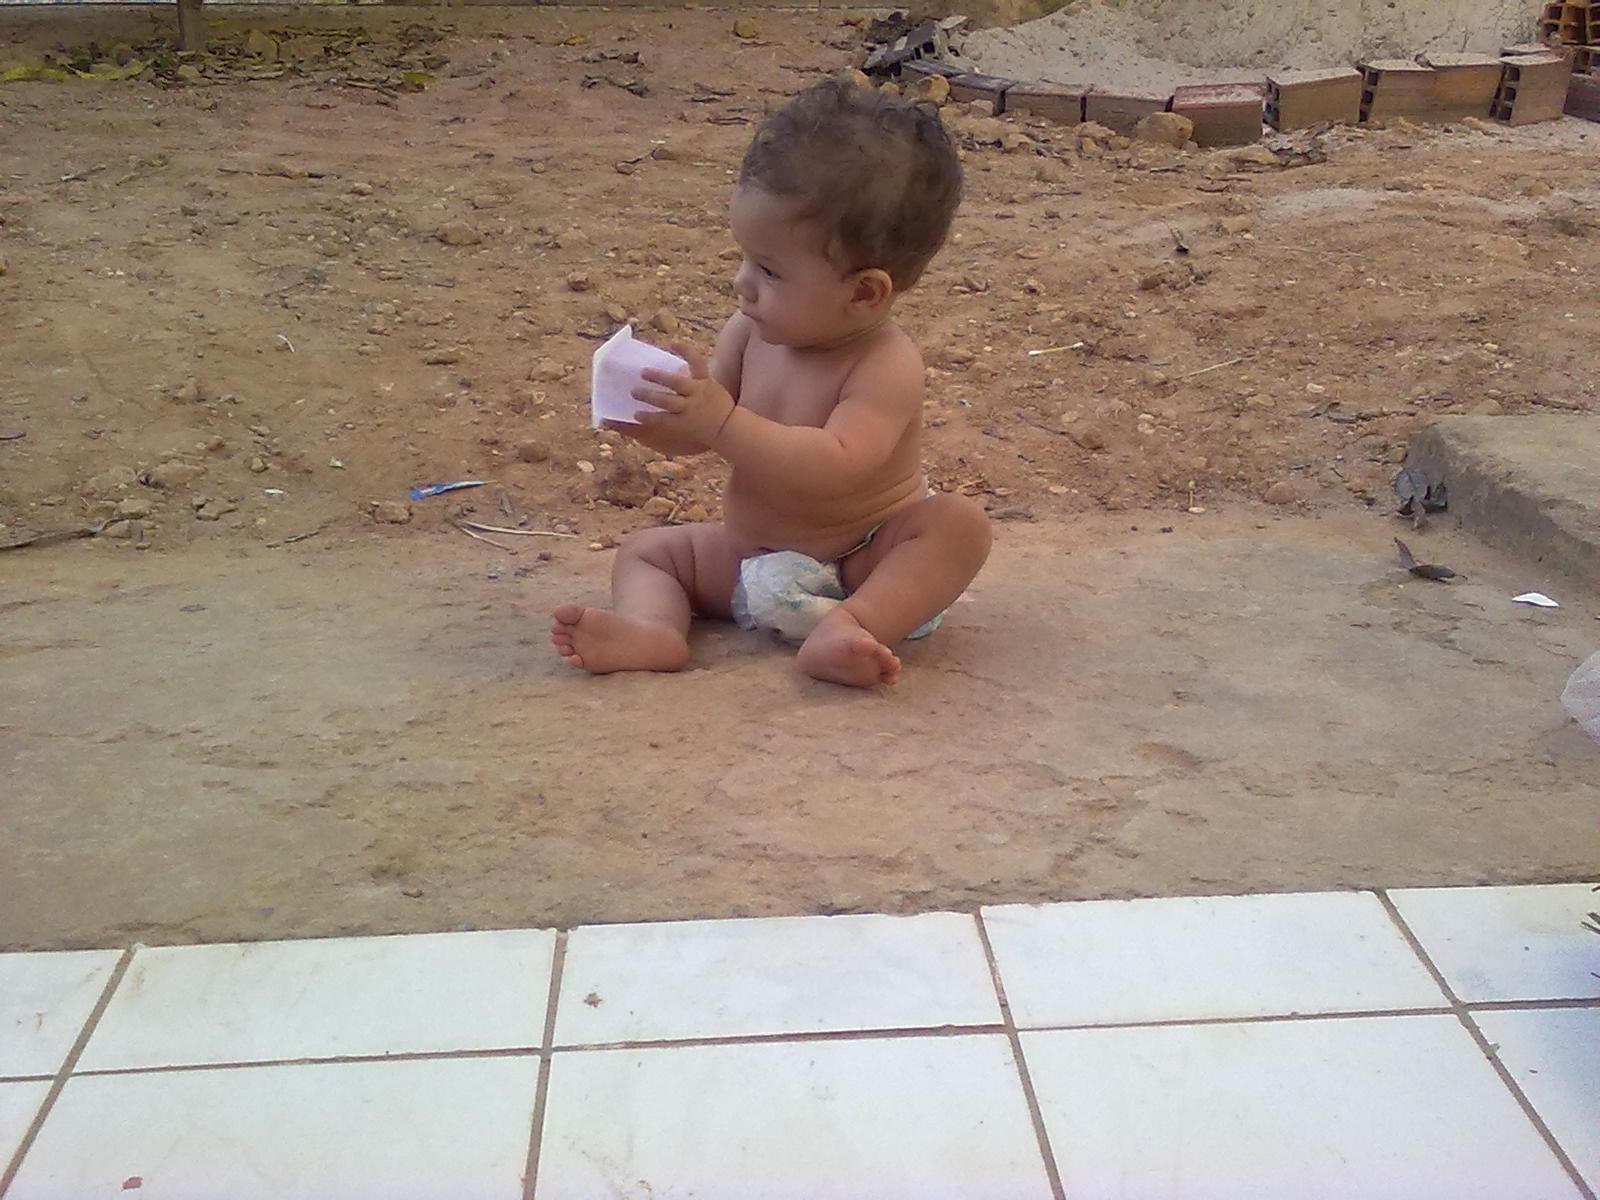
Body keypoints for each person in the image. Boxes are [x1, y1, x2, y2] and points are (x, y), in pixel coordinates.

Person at [550, 78, 991, 687]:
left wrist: (722, 421)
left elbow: (838, 465)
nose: (742, 283)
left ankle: (854, 625)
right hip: (748, 559)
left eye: (770, 270)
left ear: (865, 292)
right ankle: (651, 630)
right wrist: (658, 421)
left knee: (958, 526)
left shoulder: (885, 363)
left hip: (859, 561)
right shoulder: (748, 332)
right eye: (744, 257)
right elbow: (703, 433)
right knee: (648, 552)